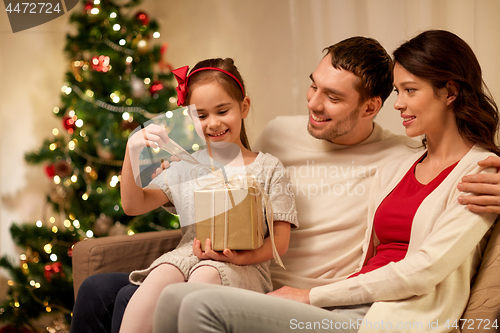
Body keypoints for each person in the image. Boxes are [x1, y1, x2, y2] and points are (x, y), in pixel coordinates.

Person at [69, 36, 500, 333]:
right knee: (100, 291)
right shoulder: (278, 134)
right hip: (232, 268)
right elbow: (220, 172)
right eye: (314, 87)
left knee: (180, 299)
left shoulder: (396, 160)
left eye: (332, 98)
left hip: (299, 290)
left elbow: (452, 185)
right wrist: (155, 151)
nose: (313, 104)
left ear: (371, 107)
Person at [117, 58, 297, 333]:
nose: (213, 123)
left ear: (244, 107)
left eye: (222, 111)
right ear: (191, 117)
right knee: (161, 274)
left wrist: (238, 258)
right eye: (201, 115)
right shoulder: (185, 165)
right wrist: (132, 151)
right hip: (188, 255)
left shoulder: (268, 168)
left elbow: (280, 243)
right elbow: (133, 205)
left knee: (205, 274)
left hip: (245, 267)